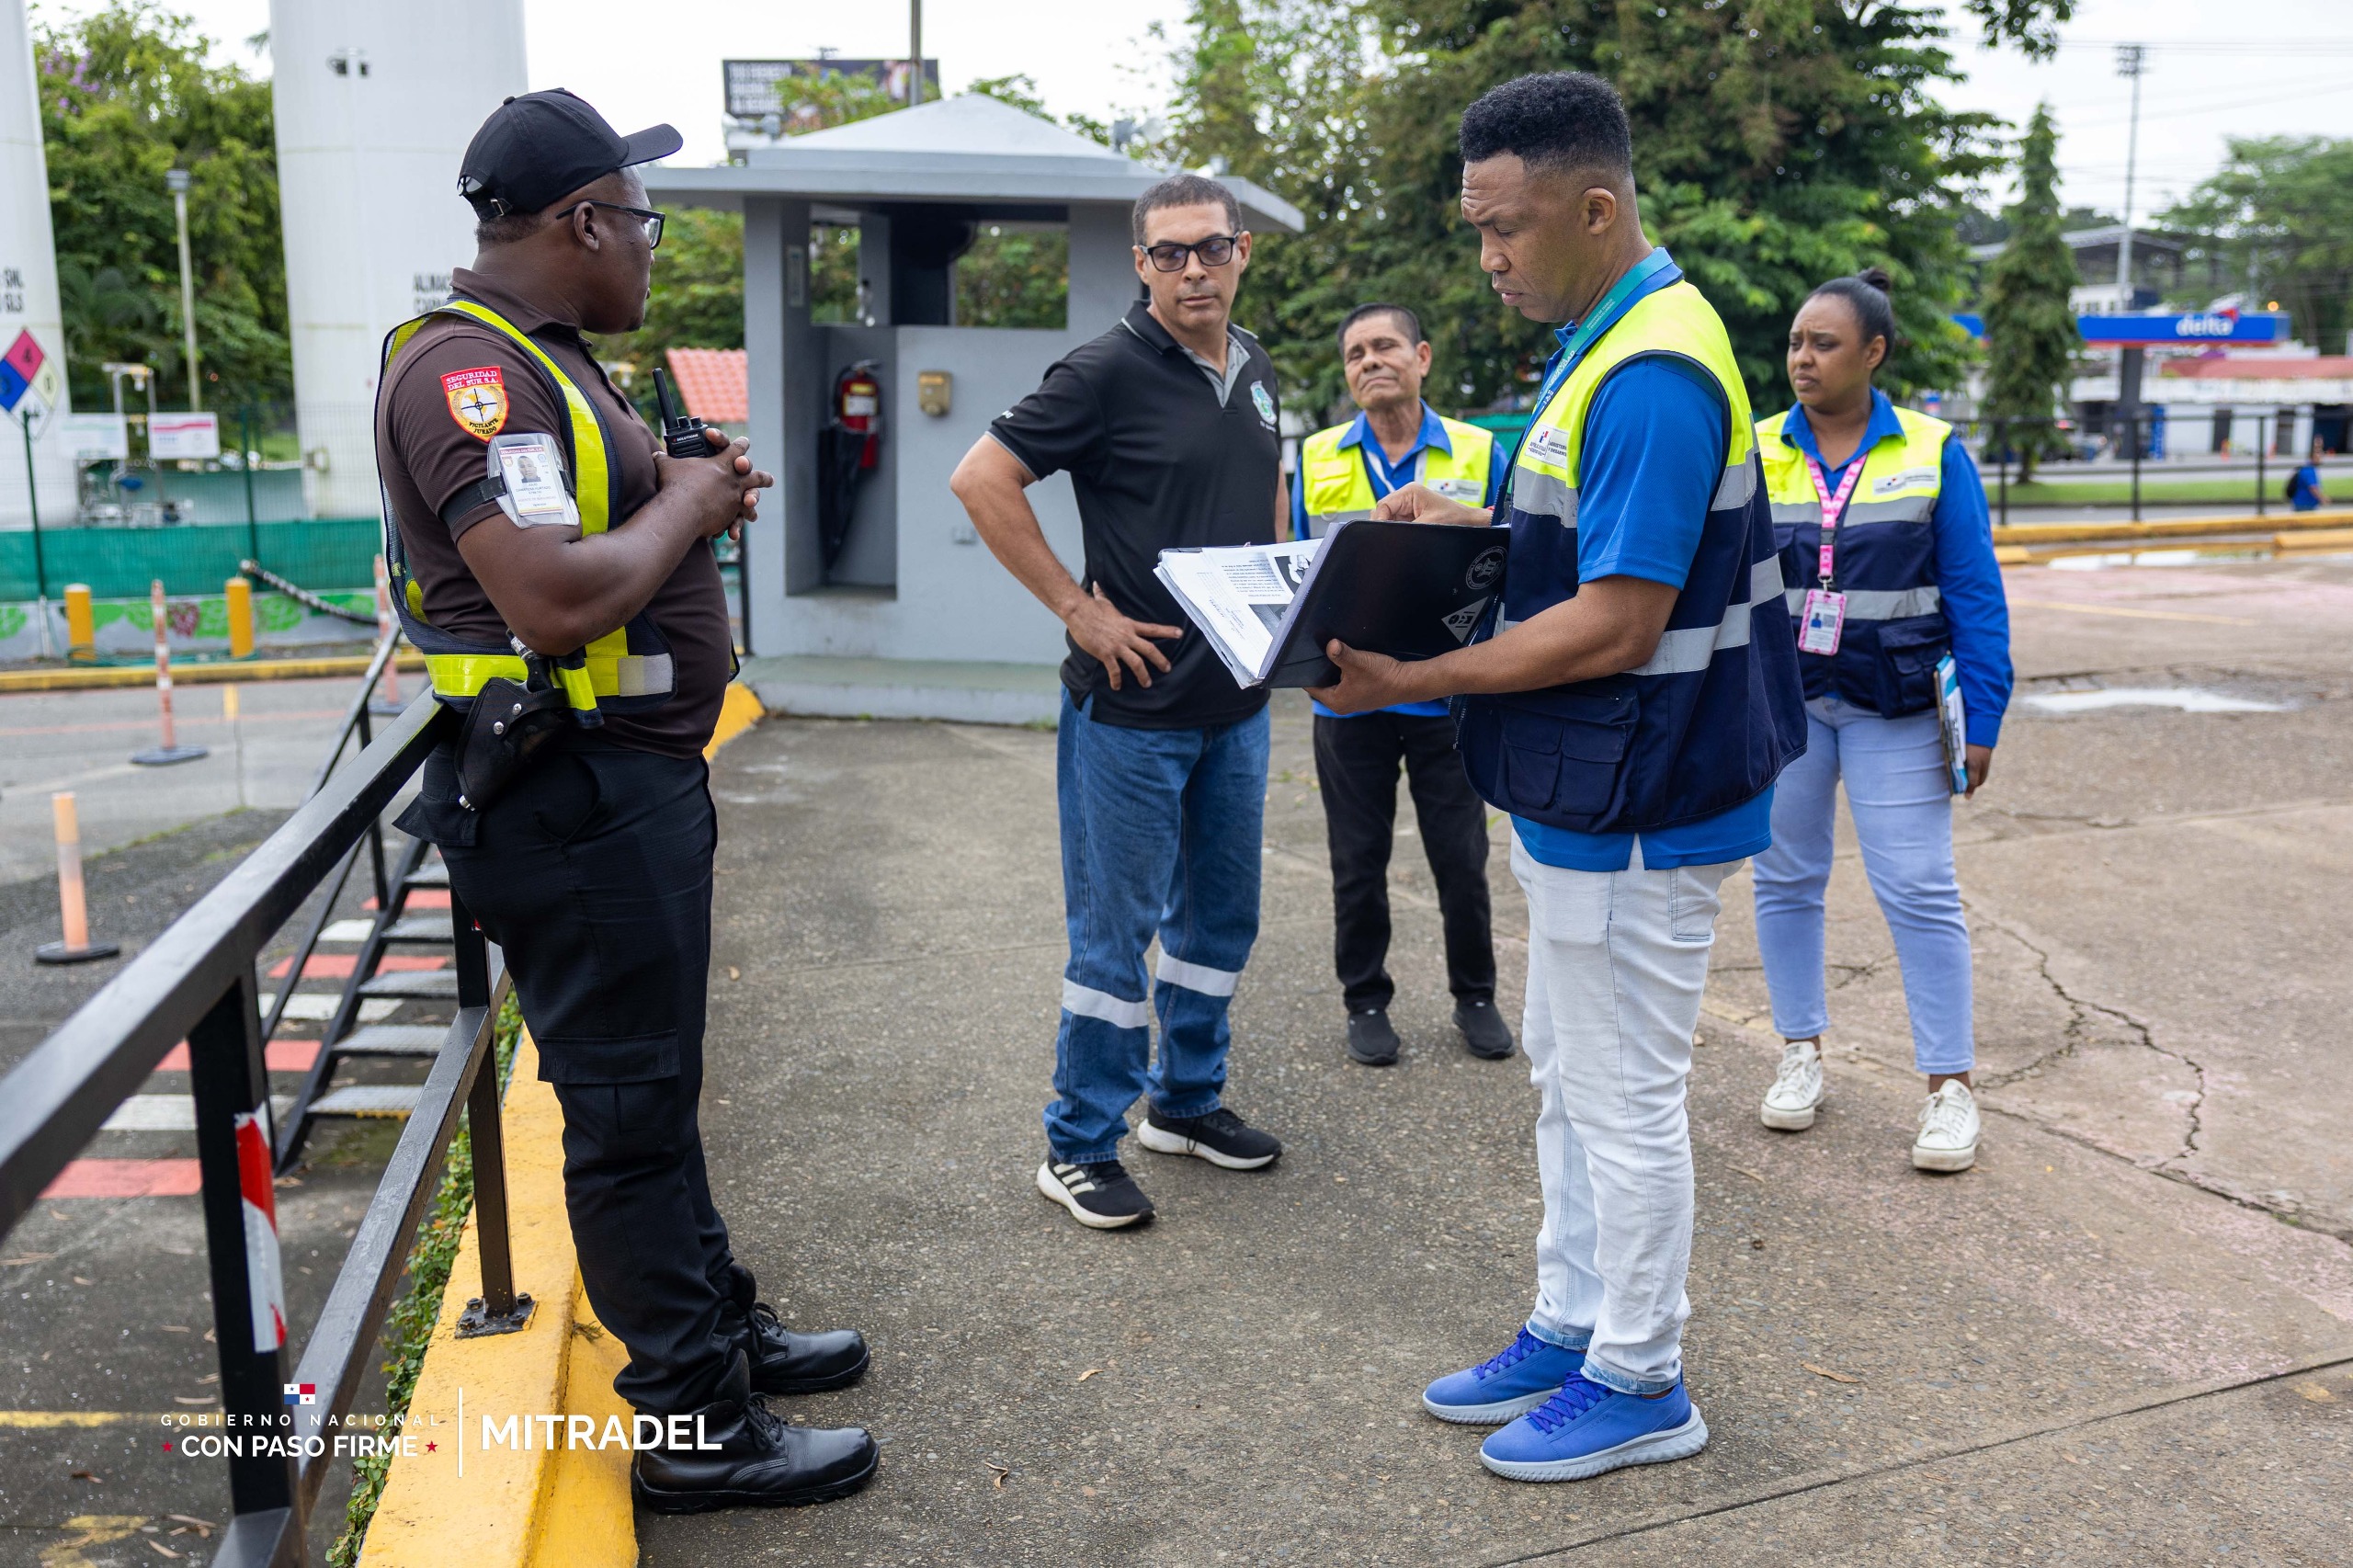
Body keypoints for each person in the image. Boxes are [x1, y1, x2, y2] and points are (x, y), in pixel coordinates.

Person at [374, 89, 876, 1512]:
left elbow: (603, 521)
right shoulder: (468, 378)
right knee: (627, 1102)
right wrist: (690, 510)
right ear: (585, 218)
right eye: (640, 217)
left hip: (622, 782)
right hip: (572, 795)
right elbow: (547, 593)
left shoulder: (550, 360)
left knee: (655, 1083)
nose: (651, 243)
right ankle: (688, 1423)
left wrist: (681, 476)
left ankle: (713, 1329)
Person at [1308, 73, 1805, 1483]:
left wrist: (1415, 679)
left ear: (1595, 208)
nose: (1489, 257)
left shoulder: (1650, 368)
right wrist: (1467, 519)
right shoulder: (1609, 339)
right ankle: (1574, 1317)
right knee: (1569, 1080)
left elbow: (1623, 616)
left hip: (1645, 799)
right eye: (1476, 231)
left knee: (1624, 1095)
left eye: (1507, 228)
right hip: (1601, 793)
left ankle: (1642, 1374)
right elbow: (1586, 546)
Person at [949, 174, 1290, 1231]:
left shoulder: (1255, 369)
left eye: (1211, 248)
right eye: (1170, 252)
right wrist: (1076, 608)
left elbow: (1268, 496)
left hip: (1234, 699)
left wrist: (1282, 609)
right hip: (1132, 707)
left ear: (1241, 254)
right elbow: (980, 479)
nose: (1194, 268)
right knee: (1115, 936)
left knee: (1218, 917)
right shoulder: (1101, 370)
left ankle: (1184, 1104)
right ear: (1141, 265)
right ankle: (1078, 1141)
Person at [1749, 270, 2013, 1171]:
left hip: (1894, 705)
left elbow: (1976, 591)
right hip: (1788, 704)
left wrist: (1982, 714)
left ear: (1873, 353)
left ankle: (1948, 1087)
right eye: (1794, 342)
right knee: (1784, 878)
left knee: (1916, 887)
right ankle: (1799, 1051)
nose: (1802, 358)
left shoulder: (1933, 451)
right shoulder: (1754, 448)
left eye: (1823, 343)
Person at [1294, 303, 1511, 1067]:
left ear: (1421, 357)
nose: (1370, 361)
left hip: (1447, 691)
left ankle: (1475, 995)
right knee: (1357, 859)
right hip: (1349, 697)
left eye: (1385, 346)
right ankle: (1365, 1000)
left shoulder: (1482, 449)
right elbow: (1298, 572)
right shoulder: (1316, 456)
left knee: (1460, 857)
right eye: (1355, 353)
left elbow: (1511, 553)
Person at [2289, 436, 2329, 512]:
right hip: (2305, 504)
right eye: (2319, 455)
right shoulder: (2309, 470)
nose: (2321, 457)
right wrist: (2322, 499)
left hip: (2301, 503)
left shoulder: (2306, 468)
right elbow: (2313, 487)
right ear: (2313, 457)